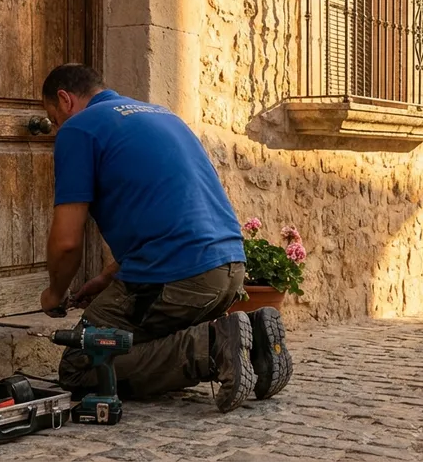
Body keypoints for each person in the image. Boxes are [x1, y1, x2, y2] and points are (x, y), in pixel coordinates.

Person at [38, 63, 292, 413]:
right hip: (229, 268)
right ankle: (255, 339)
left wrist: (53, 294)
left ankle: (214, 347)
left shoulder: (78, 129)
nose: (56, 128)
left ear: (64, 100)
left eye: (53, 118)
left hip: (177, 279)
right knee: (137, 333)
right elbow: (171, 217)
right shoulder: (162, 115)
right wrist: (106, 278)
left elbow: (67, 243)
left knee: (82, 363)